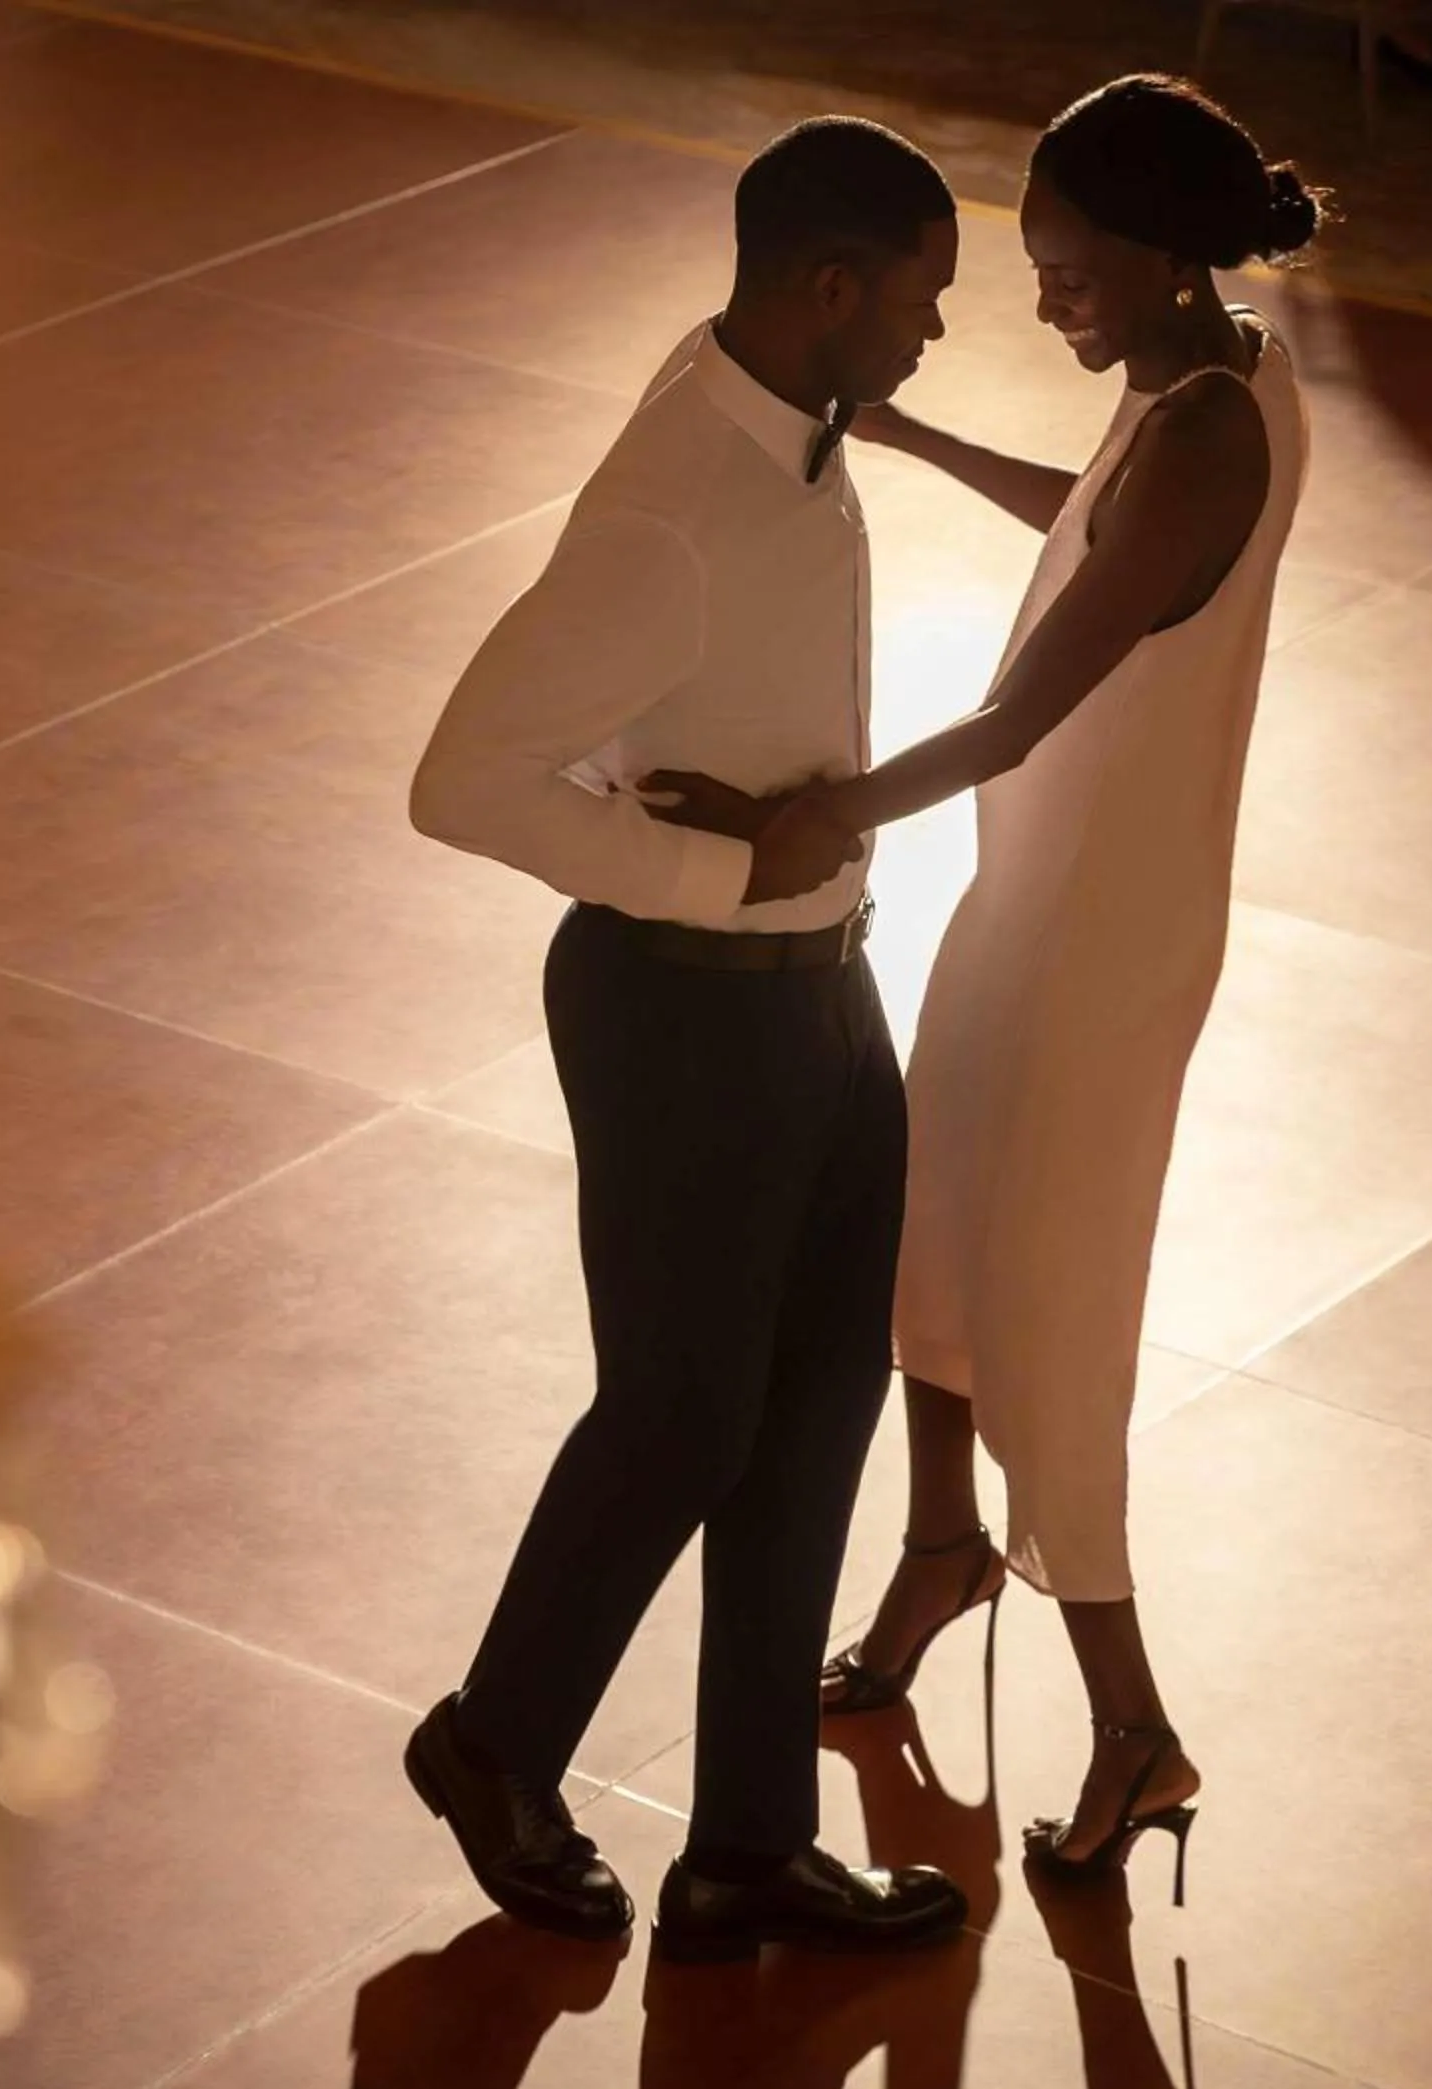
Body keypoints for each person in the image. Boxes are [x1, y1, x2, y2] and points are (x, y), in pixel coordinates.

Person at [641, 75, 1319, 1902]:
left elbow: (1032, 709)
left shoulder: (1194, 434)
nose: (1042, 297)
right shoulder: (1209, 375)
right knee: (925, 1211)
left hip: (1100, 932)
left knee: (1052, 1298)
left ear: (1162, 254)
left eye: (1066, 264)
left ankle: (1130, 1721)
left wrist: (820, 818)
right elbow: (1093, 524)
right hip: (1046, 897)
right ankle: (942, 1546)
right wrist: (915, 440)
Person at [403, 116, 969, 1963]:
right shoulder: (671, 515)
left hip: (823, 989)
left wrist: (794, 873)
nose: (934, 336)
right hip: (682, 1011)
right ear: (826, 289)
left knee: (815, 1412)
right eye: (919, 300)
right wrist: (716, 869)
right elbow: (460, 778)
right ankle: (493, 1743)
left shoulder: (783, 419)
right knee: (684, 1412)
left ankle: (746, 1843)